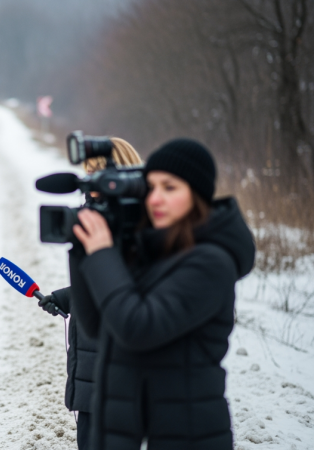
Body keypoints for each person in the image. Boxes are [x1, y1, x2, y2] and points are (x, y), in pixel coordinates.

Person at [68, 139, 255, 449]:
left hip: (187, 434)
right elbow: (98, 326)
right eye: (151, 187)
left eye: (170, 188)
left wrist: (102, 254)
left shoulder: (212, 261)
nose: (155, 198)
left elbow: (137, 327)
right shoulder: (156, 247)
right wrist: (80, 251)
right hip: (131, 427)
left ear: (197, 194)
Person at [37, 138, 142, 450]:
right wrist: (69, 297)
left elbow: (135, 284)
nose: (92, 185)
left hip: (124, 365)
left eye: (100, 176)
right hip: (88, 364)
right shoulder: (89, 217)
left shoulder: (142, 224)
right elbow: (100, 278)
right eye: (88, 176)